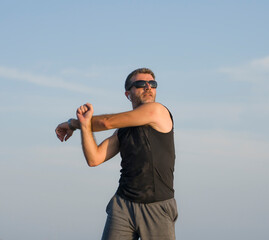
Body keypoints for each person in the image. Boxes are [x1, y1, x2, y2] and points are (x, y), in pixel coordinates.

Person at [55, 68, 178, 240]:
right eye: (141, 84)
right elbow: (94, 158)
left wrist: (73, 124)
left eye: (153, 84)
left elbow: (106, 122)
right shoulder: (123, 131)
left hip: (157, 207)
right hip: (123, 205)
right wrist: (84, 127)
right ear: (128, 94)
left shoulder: (158, 111)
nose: (148, 87)